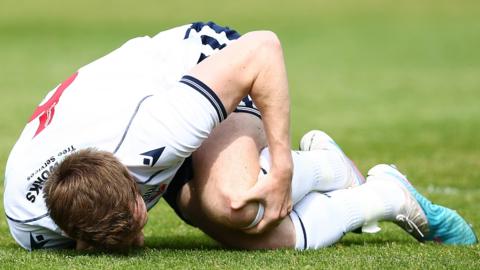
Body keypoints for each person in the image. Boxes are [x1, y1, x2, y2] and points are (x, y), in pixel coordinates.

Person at [3, 22, 476, 251]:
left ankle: (325, 166)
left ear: (134, 176)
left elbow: (262, 49)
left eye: (138, 214)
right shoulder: (31, 225)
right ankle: (385, 197)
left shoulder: (160, 130)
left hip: (203, 64)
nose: (142, 235)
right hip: (140, 115)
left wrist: (284, 168)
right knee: (244, 229)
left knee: (239, 206)